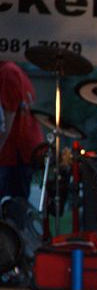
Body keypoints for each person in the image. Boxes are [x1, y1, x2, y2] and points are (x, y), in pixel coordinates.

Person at [0, 61, 44, 199]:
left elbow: (7, 121)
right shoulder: (13, 70)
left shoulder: (8, 72)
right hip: (18, 151)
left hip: (14, 153)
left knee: (14, 206)